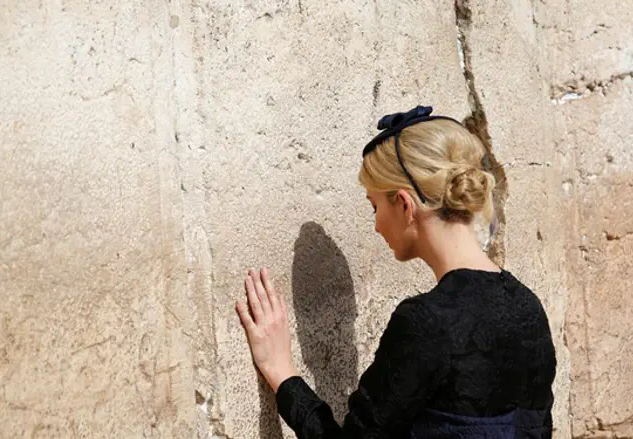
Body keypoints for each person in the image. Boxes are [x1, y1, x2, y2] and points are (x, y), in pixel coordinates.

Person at [236, 106, 557, 439]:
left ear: (405, 205)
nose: (375, 225)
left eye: (375, 206)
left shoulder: (425, 321)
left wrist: (283, 375)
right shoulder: (529, 307)